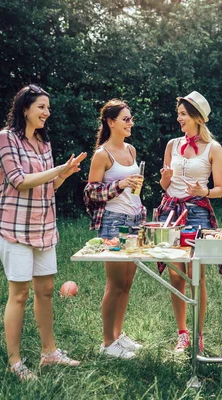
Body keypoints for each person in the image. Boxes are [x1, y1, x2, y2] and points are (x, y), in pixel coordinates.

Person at [0, 84, 86, 380]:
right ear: (25, 109)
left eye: (48, 107)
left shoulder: (44, 143)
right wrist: (58, 169)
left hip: (44, 226)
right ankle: (16, 362)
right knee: (19, 294)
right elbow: (19, 181)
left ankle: (49, 354)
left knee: (45, 291)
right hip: (15, 227)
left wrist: (64, 176)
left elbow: (47, 187)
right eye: (41, 107)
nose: (47, 112)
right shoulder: (6, 139)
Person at [157, 91, 222, 354]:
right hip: (170, 214)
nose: (179, 119)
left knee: (197, 275)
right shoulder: (172, 145)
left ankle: (198, 333)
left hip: (197, 213)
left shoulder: (213, 148)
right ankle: (182, 332)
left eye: (183, 114)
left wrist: (203, 192)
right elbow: (164, 186)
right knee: (176, 276)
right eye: (179, 114)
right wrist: (165, 178)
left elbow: (219, 189)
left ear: (197, 117)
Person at [84, 99, 146, 359]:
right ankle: (107, 342)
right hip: (113, 222)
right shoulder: (102, 154)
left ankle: (118, 336)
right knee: (115, 283)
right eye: (125, 119)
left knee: (128, 283)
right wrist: (120, 185)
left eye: (131, 119)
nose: (130, 123)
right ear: (111, 122)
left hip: (135, 221)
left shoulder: (131, 150)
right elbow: (90, 194)